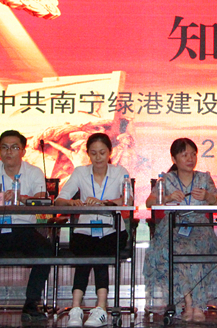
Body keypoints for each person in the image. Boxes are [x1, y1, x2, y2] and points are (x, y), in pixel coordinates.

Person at [0, 130, 53, 325]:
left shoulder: (34, 172)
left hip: (25, 229)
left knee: (46, 252)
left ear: (23, 151)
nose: (9, 152)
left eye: (14, 147)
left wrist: (22, 198)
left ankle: (31, 304)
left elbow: (42, 200)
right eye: (4, 147)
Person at [143, 138, 217, 322]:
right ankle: (188, 303)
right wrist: (167, 198)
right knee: (175, 250)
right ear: (174, 159)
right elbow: (149, 203)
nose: (190, 159)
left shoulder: (204, 178)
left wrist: (207, 196)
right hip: (174, 225)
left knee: (197, 250)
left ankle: (198, 305)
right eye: (185, 155)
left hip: (199, 226)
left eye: (193, 154)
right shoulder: (166, 179)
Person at [55, 133, 131, 327]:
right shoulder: (80, 172)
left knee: (99, 253)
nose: (98, 157)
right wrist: (71, 202)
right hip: (84, 230)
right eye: (94, 153)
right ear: (88, 153)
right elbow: (59, 200)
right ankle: (76, 309)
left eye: (102, 153)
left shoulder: (120, 171)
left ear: (110, 153)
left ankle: (101, 308)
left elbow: (128, 200)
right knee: (85, 253)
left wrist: (105, 203)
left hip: (113, 230)